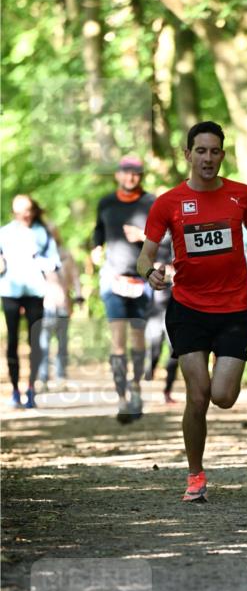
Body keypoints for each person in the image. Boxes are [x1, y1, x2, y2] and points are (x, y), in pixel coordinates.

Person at [137, 121, 247, 504]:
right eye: (201, 151)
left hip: (233, 310)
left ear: (222, 155)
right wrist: (150, 272)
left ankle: (198, 466)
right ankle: (195, 475)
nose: (208, 158)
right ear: (187, 154)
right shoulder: (168, 202)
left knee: (222, 396)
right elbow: (145, 254)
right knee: (198, 395)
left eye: (215, 151)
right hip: (188, 310)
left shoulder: (241, 195)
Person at [91, 156, 154, 423]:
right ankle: (121, 399)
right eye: (126, 172)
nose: (131, 177)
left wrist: (142, 236)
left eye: (136, 173)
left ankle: (136, 388)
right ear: (118, 175)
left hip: (142, 280)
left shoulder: (150, 203)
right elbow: (98, 230)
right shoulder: (106, 202)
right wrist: (96, 247)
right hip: (113, 278)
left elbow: (165, 237)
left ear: (141, 176)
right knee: (118, 340)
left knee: (138, 340)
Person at [0, 195, 60, 408]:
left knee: (35, 341)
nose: (24, 215)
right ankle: (15, 390)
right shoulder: (4, 233)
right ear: (14, 213)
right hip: (10, 291)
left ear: (34, 211)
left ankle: (31, 388)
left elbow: (55, 262)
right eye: (19, 212)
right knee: (13, 341)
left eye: (27, 210)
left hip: (35, 292)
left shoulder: (42, 232)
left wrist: (38, 259)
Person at [37, 226, 84, 391]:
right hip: (45, 305)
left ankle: (60, 377)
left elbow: (75, 277)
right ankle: (42, 378)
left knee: (62, 342)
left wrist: (79, 296)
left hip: (63, 304)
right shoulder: (39, 255)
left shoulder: (65, 255)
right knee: (43, 342)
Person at [144, 189, 179, 404]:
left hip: (178, 300)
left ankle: (167, 391)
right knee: (155, 346)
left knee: (175, 348)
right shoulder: (152, 232)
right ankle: (148, 373)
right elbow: (143, 259)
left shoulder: (182, 229)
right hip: (158, 302)